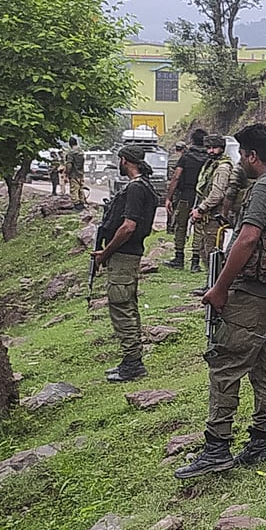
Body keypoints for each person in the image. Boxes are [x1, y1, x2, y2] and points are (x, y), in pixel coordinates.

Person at [174, 124, 266, 479]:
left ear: (252, 156)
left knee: (226, 363)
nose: (239, 161)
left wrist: (220, 287)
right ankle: (261, 440)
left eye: (242, 155)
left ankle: (217, 446)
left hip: (251, 294)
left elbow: (246, 240)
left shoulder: (265, 188)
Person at [91, 145, 159, 382]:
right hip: (128, 254)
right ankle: (131, 360)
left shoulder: (136, 188)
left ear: (124, 160)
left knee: (121, 308)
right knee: (127, 306)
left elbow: (128, 226)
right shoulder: (143, 186)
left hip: (124, 255)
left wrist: (105, 253)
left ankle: (132, 364)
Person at [164, 129, 209, 271]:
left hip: (186, 195)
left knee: (180, 226)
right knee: (199, 228)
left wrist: (168, 197)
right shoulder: (209, 158)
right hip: (202, 197)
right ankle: (195, 261)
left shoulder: (185, 157)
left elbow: (176, 177)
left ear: (192, 141)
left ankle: (179, 257)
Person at [191, 134, 234, 277]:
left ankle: (215, 284)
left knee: (213, 254)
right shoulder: (211, 164)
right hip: (207, 216)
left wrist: (201, 209)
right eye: (208, 147)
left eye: (214, 148)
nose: (211, 151)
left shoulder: (223, 167)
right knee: (204, 251)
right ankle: (210, 283)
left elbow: (217, 194)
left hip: (214, 216)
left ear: (222, 148)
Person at [64, 136, 87, 209]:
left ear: (70, 144)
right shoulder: (81, 152)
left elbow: (69, 165)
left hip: (73, 174)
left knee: (74, 189)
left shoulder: (71, 153)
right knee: (80, 189)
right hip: (81, 173)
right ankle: (82, 202)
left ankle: (77, 205)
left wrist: (67, 173)